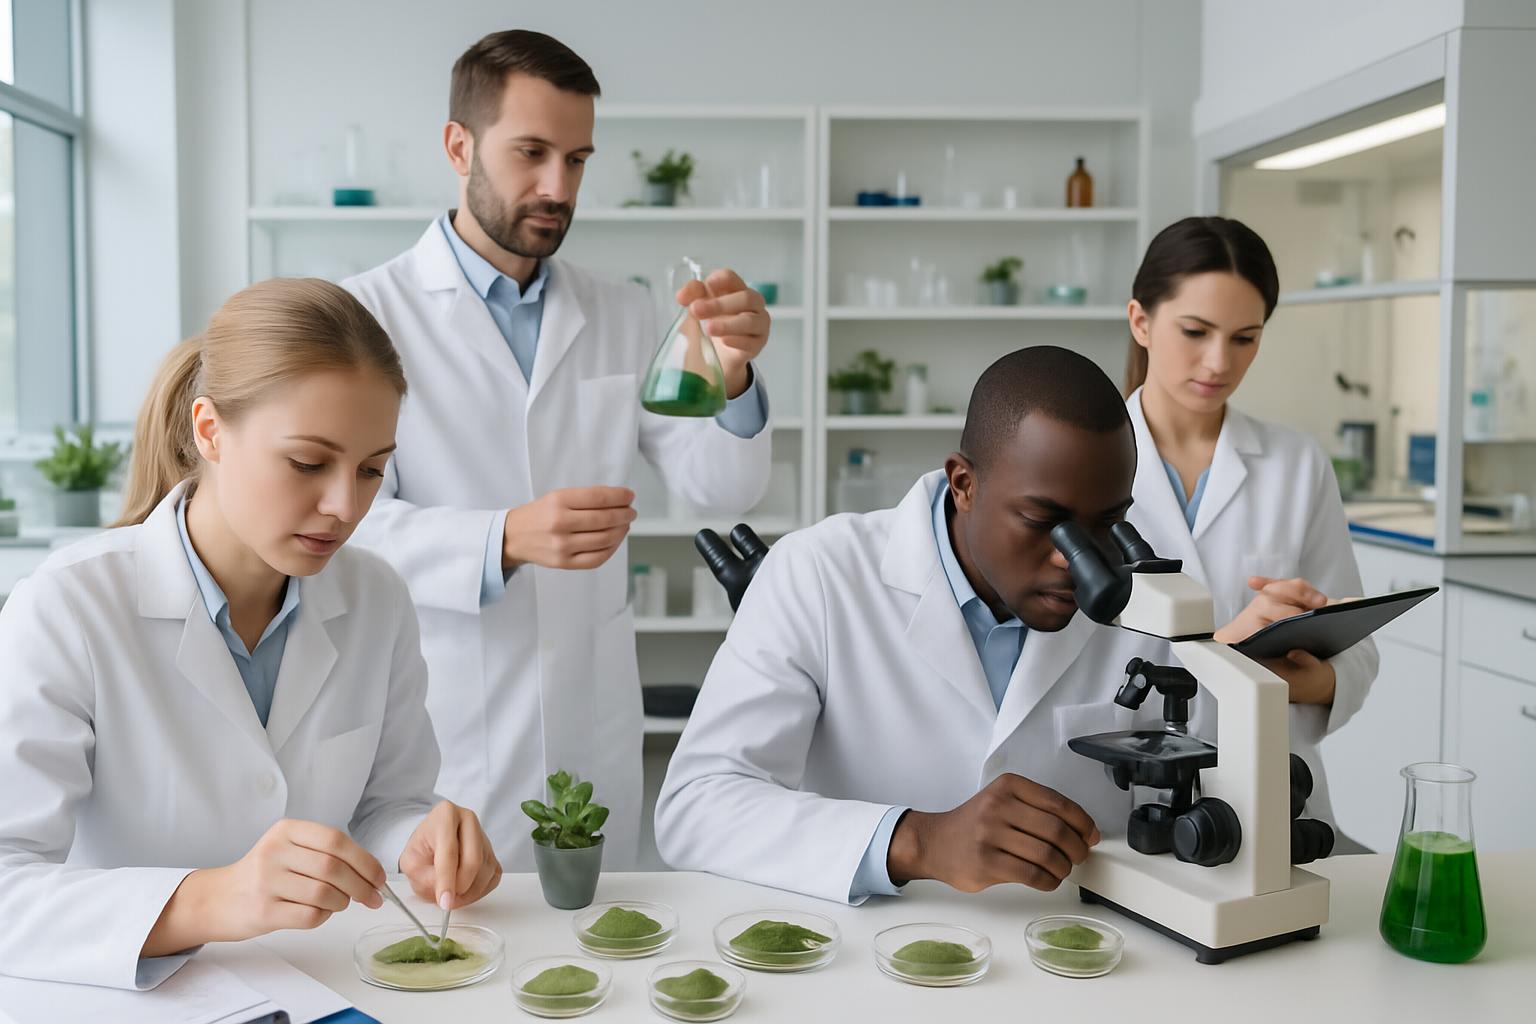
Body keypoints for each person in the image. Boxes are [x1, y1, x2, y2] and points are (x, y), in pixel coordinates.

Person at [343, 29, 774, 867]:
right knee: (456, 951)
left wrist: (734, 379)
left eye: (577, 159)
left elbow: (719, 489)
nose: (557, 187)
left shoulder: (625, 312)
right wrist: (501, 537)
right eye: (531, 153)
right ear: (457, 146)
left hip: (590, 713)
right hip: (447, 719)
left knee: (599, 958)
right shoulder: (365, 315)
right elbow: (341, 523)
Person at [0, 279, 500, 990]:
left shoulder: (375, 597)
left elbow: (388, 802)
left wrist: (419, 841)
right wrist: (213, 898)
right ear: (209, 430)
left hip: (321, 989)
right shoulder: (66, 608)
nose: (343, 506)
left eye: (371, 471)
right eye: (307, 463)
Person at [655, 346, 1172, 903]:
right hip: (876, 959)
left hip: (1077, 958)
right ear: (964, 484)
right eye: (1044, 522)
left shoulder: (1148, 600)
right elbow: (697, 806)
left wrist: (1261, 686)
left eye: (1109, 522)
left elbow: (1212, 779)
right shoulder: (818, 574)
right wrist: (914, 840)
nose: (1077, 560)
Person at [1123, 216, 1378, 842]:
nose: (1219, 362)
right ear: (1141, 322)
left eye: (1244, 338)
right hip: (1133, 804)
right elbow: (1052, 670)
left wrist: (1317, 680)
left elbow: (1357, 647)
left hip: (1278, 797)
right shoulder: (1078, 466)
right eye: (1196, 331)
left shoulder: (1295, 463)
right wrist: (1224, 653)